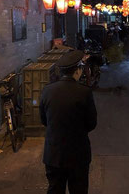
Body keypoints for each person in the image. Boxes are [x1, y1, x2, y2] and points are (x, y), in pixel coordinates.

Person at [40, 50, 98, 194]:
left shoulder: (47, 90)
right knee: (78, 189)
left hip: (53, 153)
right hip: (78, 153)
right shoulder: (84, 92)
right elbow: (92, 123)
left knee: (55, 189)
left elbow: (44, 120)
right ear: (77, 70)